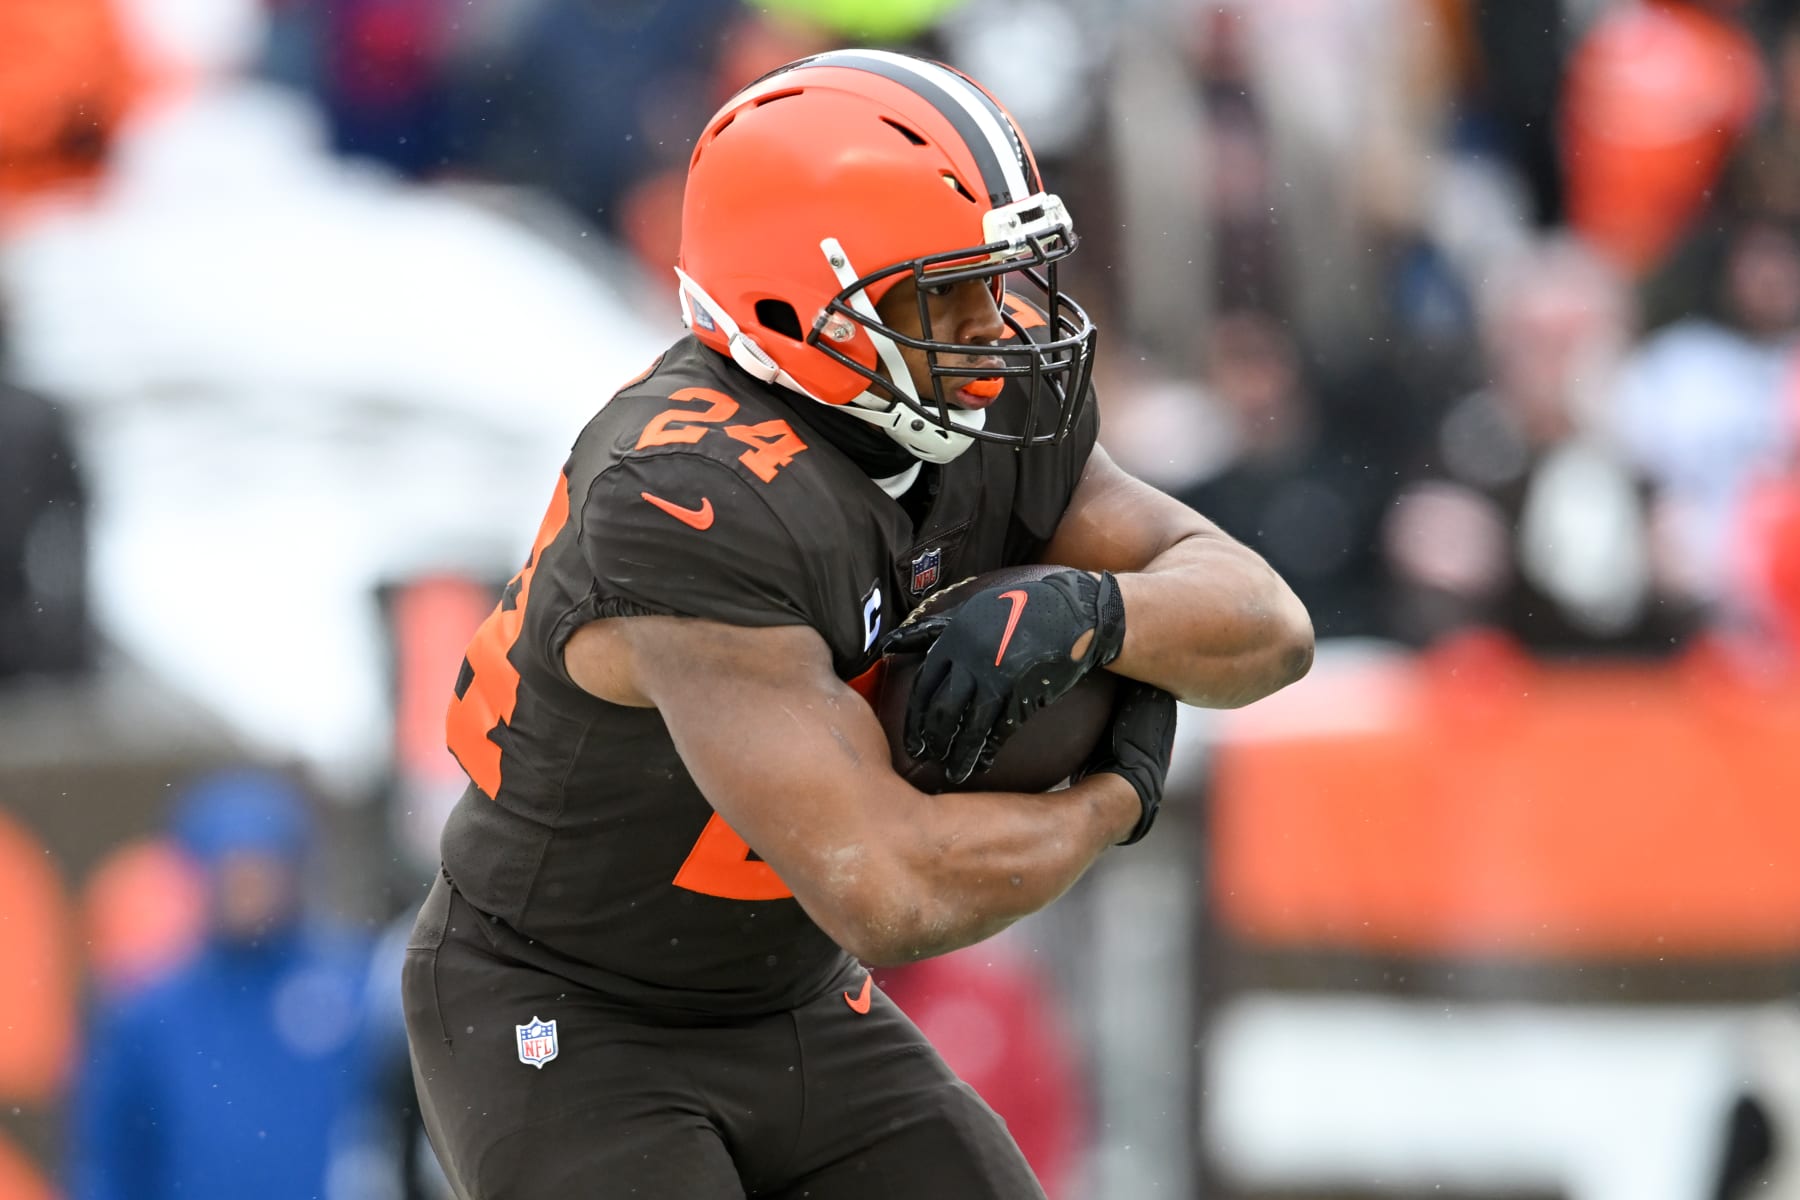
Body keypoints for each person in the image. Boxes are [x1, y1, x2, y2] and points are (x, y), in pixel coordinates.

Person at [404, 48, 1312, 1198]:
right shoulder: (690, 497)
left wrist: (1096, 609)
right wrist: (1114, 800)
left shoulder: (978, 412)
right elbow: (889, 889)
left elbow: (1269, 624)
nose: (995, 328)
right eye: (946, 291)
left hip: (788, 994)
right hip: (571, 1010)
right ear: (802, 301)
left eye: (998, 279)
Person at [68, 770, 376, 1200]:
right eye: (231, 870)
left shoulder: (355, 988)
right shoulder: (148, 1013)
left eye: (261, 869)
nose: (247, 889)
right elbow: (110, 1159)